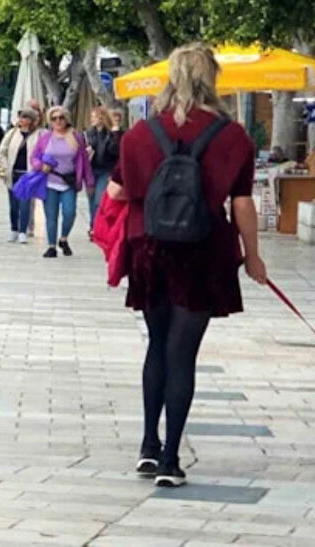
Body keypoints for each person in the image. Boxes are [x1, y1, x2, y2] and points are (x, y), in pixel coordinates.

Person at [106, 43, 266, 488]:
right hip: (203, 250)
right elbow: (242, 204)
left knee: (156, 345)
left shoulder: (139, 135)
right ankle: (171, 459)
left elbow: (117, 192)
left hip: (149, 248)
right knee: (183, 353)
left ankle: (147, 445)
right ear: (212, 78)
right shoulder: (234, 137)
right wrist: (253, 256)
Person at [31, 106, 94, 258]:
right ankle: (51, 246)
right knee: (51, 215)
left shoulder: (76, 137)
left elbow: (84, 161)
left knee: (69, 212)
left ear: (67, 119)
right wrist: (40, 165)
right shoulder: (45, 138)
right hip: (49, 181)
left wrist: (89, 182)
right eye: (54, 118)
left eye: (61, 118)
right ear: (50, 121)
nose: (58, 121)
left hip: (68, 182)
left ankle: (63, 238)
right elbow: (34, 157)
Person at [0, 109, 42, 243]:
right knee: (13, 204)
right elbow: (2, 151)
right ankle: (14, 229)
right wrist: (5, 166)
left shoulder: (38, 135)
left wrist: (37, 168)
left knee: (25, 204)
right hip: (13, 173)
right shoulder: (12, 133)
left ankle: (23, 231)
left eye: (26, 118)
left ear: (31, 120)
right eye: (21, 117)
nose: (23, 120)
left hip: (28, 174)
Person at [85, 106, 121, 234]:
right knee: (91, 199)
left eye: (95, 117)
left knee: (98, 200)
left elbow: (115, 151)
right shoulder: (89, 133)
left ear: (102, 118)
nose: (92, 119)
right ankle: (93, 226)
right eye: (92, 117)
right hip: (91, 169)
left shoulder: (111, 134)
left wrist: (115, 134)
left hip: (106, 169)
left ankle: (97, 227)